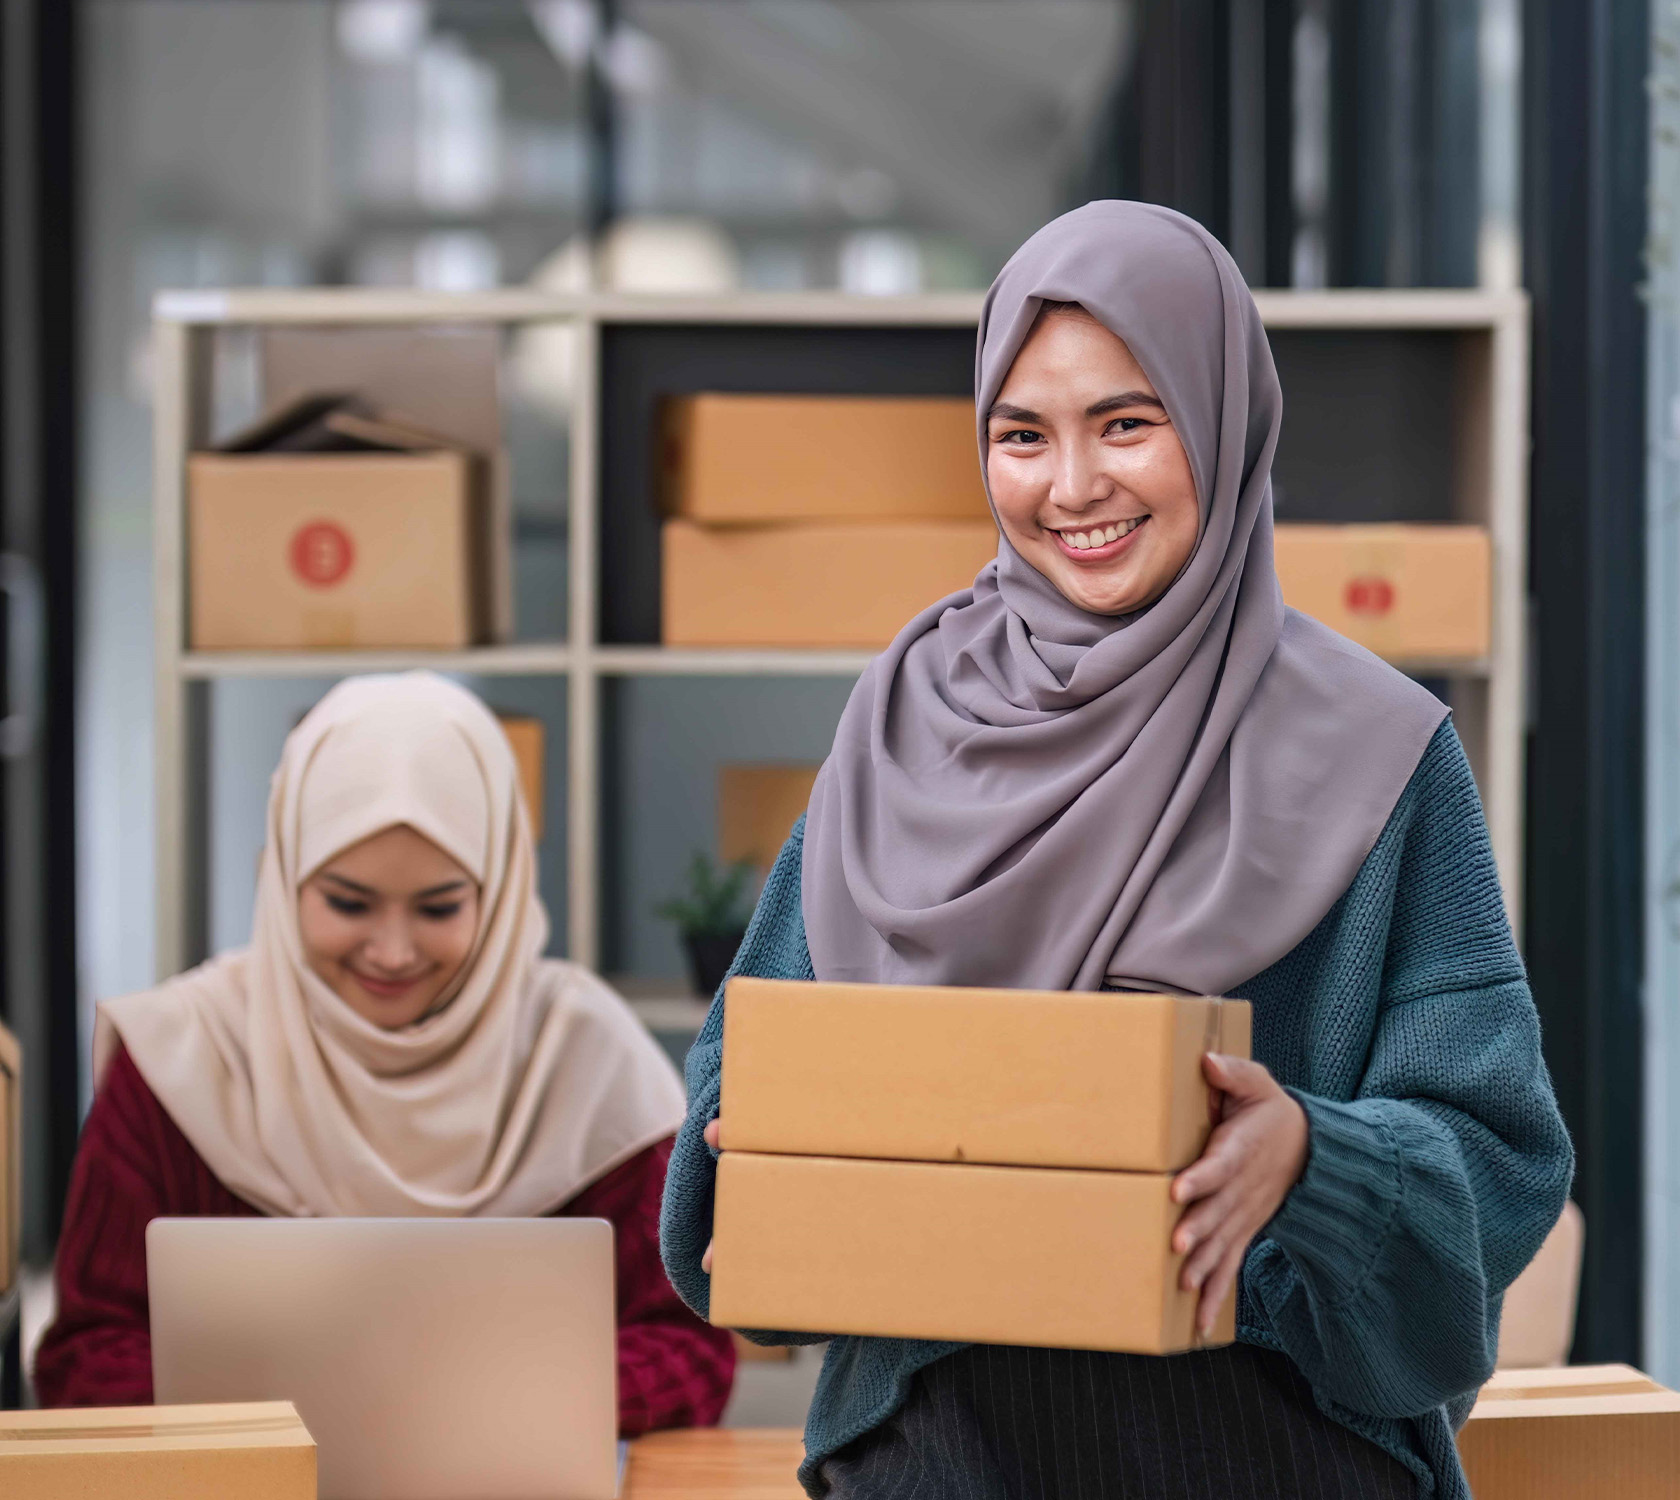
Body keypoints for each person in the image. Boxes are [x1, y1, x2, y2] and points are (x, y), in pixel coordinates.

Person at [660, 201, 1572, 1498]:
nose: (1072, 487)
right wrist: (767, 1138)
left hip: (1272, 1459)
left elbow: (1499, 1163)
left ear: (1220, 418)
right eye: (1021, 435)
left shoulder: (1379, 752)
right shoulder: (908, 725)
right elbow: (720, 1193)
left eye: (1127, 424)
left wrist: (1315, 1159)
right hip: (937, 1460)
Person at [37, 671, 735, 1432]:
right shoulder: (183, 1057)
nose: (393, 952)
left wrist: (483, 1414)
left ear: (498, 892)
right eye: (347, 901)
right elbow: (83, 1357)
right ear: (285, 878)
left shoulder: (585, 1056)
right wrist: (300, 1428)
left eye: (439, 907)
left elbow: (691, 1345)